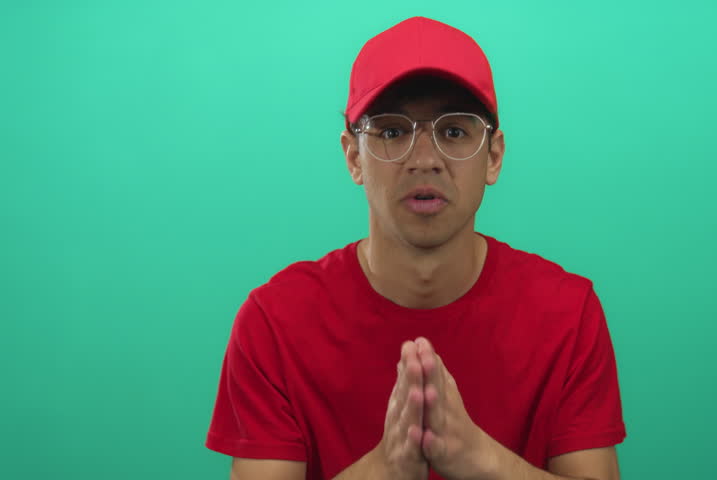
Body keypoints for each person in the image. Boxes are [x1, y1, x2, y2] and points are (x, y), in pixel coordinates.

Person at [205, 16, 627, 480]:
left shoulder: (568, 313)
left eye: (453, 132)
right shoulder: (273, 324)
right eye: (391, 132)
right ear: (352, 157)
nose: (424, 160)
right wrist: (386, 467)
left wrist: (478, 459)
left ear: (493, 157)